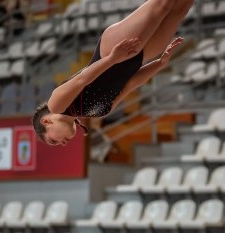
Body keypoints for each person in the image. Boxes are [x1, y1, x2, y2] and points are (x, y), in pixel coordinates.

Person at [32, 0, 194, 146]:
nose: (63, 144)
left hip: (112, 50)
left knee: (163, 5)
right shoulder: (98, 113)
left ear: (46, 121)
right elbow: (132, 83)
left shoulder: (56, 104)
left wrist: (112, 58)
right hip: (140, 58)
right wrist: (160, 63)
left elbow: (83, 78)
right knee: (180, 10)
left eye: (53, 140)